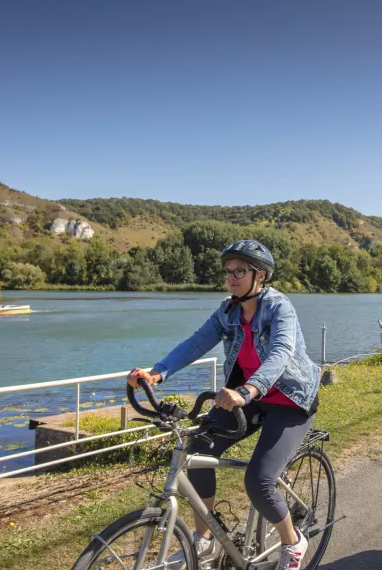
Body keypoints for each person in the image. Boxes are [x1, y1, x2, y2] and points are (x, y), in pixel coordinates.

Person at [128, 239, 320, 569]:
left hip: (289, 399)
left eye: (240, 271)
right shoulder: (227, 310)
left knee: (259, 480)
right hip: (247, 397)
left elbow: (281, 353)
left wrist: (248, 389)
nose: (231, 277)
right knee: (197, 452)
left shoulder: (279, 307)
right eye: (228, 271)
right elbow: (196, 343)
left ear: (261, 276)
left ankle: (294, 542)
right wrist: (157, 372)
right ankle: (206, 540)